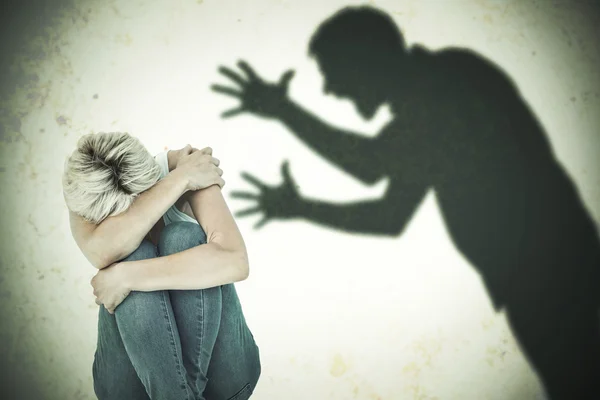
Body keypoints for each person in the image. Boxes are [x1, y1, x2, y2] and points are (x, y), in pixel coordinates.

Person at [211, 5, 600, 399]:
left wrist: (284, 111)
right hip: (533, 281)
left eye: (334, 74)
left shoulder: (448, 83)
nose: (330, 89)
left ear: (364, 63)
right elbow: (390, 214)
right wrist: (300, 206)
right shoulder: (431, 98)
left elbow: (372, 164)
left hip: (556, 275)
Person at [62, 131, 261, 400]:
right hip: (131, 388)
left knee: (183, 237)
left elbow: (235, 260)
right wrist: (179, 180)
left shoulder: (186, 165)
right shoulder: (87, 192)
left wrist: (126, 277)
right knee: (132, 253)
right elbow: (101, 252)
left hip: (226, 381)